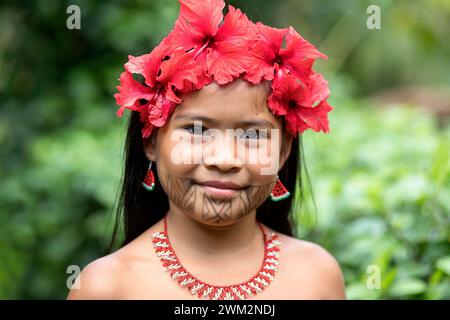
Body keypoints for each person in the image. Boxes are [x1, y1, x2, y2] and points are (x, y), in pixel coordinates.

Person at [67, 0, 345, 300]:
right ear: (150, 142)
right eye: (196, 130)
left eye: (252, 135)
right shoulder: (105, 287)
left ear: (282, 151)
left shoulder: (318, 276)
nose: (224, 159)